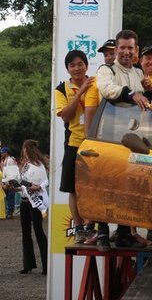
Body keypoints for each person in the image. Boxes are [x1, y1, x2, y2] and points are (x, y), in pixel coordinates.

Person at [97, 29, 152, 249]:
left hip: (134, 138)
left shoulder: (140, 73)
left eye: (131, 48)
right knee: (105, 184)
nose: (126, 52)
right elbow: (106, 89)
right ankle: (102, 231)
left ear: (136, 50)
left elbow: (146, 104)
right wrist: (132, 93)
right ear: (116, 49)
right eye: (122, 48)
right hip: (109, 137)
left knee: (129, 186)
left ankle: (123, 233)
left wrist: (149, 91)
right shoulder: (107, 69)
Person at [55, 50, 99, 245]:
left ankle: (90, 227)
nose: (77, 68)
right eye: (72, 65)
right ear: (67, 69)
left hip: (95, 143)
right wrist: (80, 91)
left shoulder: (97, 83)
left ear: (87, 66)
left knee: (93, 187)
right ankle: (79, 228)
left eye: (80, 64)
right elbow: (65, 115)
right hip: (73, 143)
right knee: (73, 189)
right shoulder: (62, 88)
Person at [17, 140, 49, 275]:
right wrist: (15, 187)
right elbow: (22, 184)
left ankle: (47, 265)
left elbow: (43, 183)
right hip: (24, 201)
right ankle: (28, 264)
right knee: (25, 233)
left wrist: (36, 187)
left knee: (38, 231)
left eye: (24, 149)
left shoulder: (39, 165)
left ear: (28, 149)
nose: (23, 151)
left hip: (35, 202)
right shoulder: (24, 165)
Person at [1, 147, 19, 218]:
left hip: (11, 180)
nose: (1, 154)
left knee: (10, 196)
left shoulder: (10, 160)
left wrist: (10, 182)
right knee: (7, 196)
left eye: (2, 152)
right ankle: (8, 211)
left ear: (6, 153)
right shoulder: (5, 160)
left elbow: (11, 171)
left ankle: (10, 212)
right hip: (6, 179)